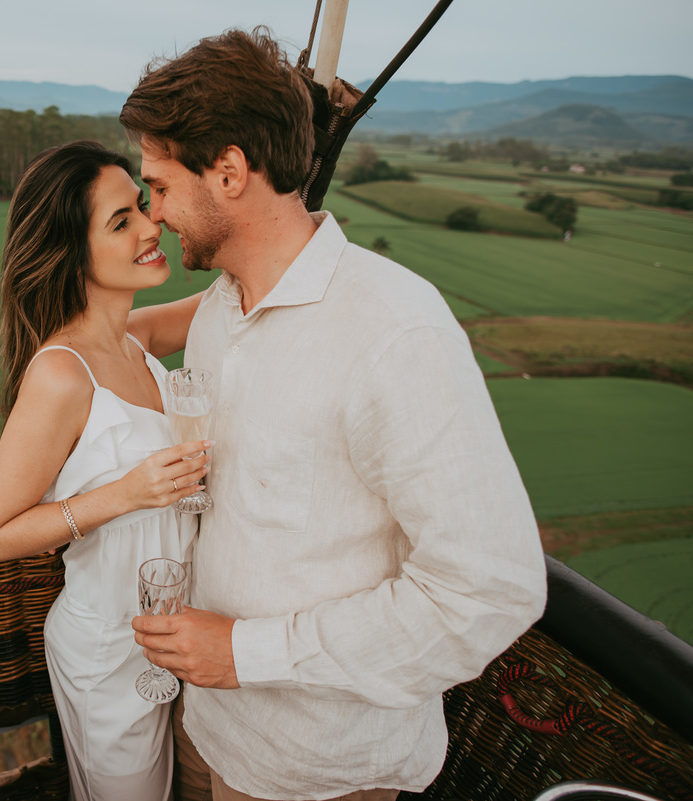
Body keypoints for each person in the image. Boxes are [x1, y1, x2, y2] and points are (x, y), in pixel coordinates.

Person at [122, 28, 548, 801]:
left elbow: (490, 590)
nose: (153, 214)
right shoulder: (219, 310)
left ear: (228, 171)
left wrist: (246, 653)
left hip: (317, 769)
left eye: (158, 184)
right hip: (207, 722)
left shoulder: (394, 332)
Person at [0, 140, 209, 800]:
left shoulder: (135, 337)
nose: (149, 226)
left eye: (141, 206)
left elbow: (232, 293)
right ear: (71, 251)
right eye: (121, 221)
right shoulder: (60, 374)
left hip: (173, 635)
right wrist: (127, 492)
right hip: (109, 651)